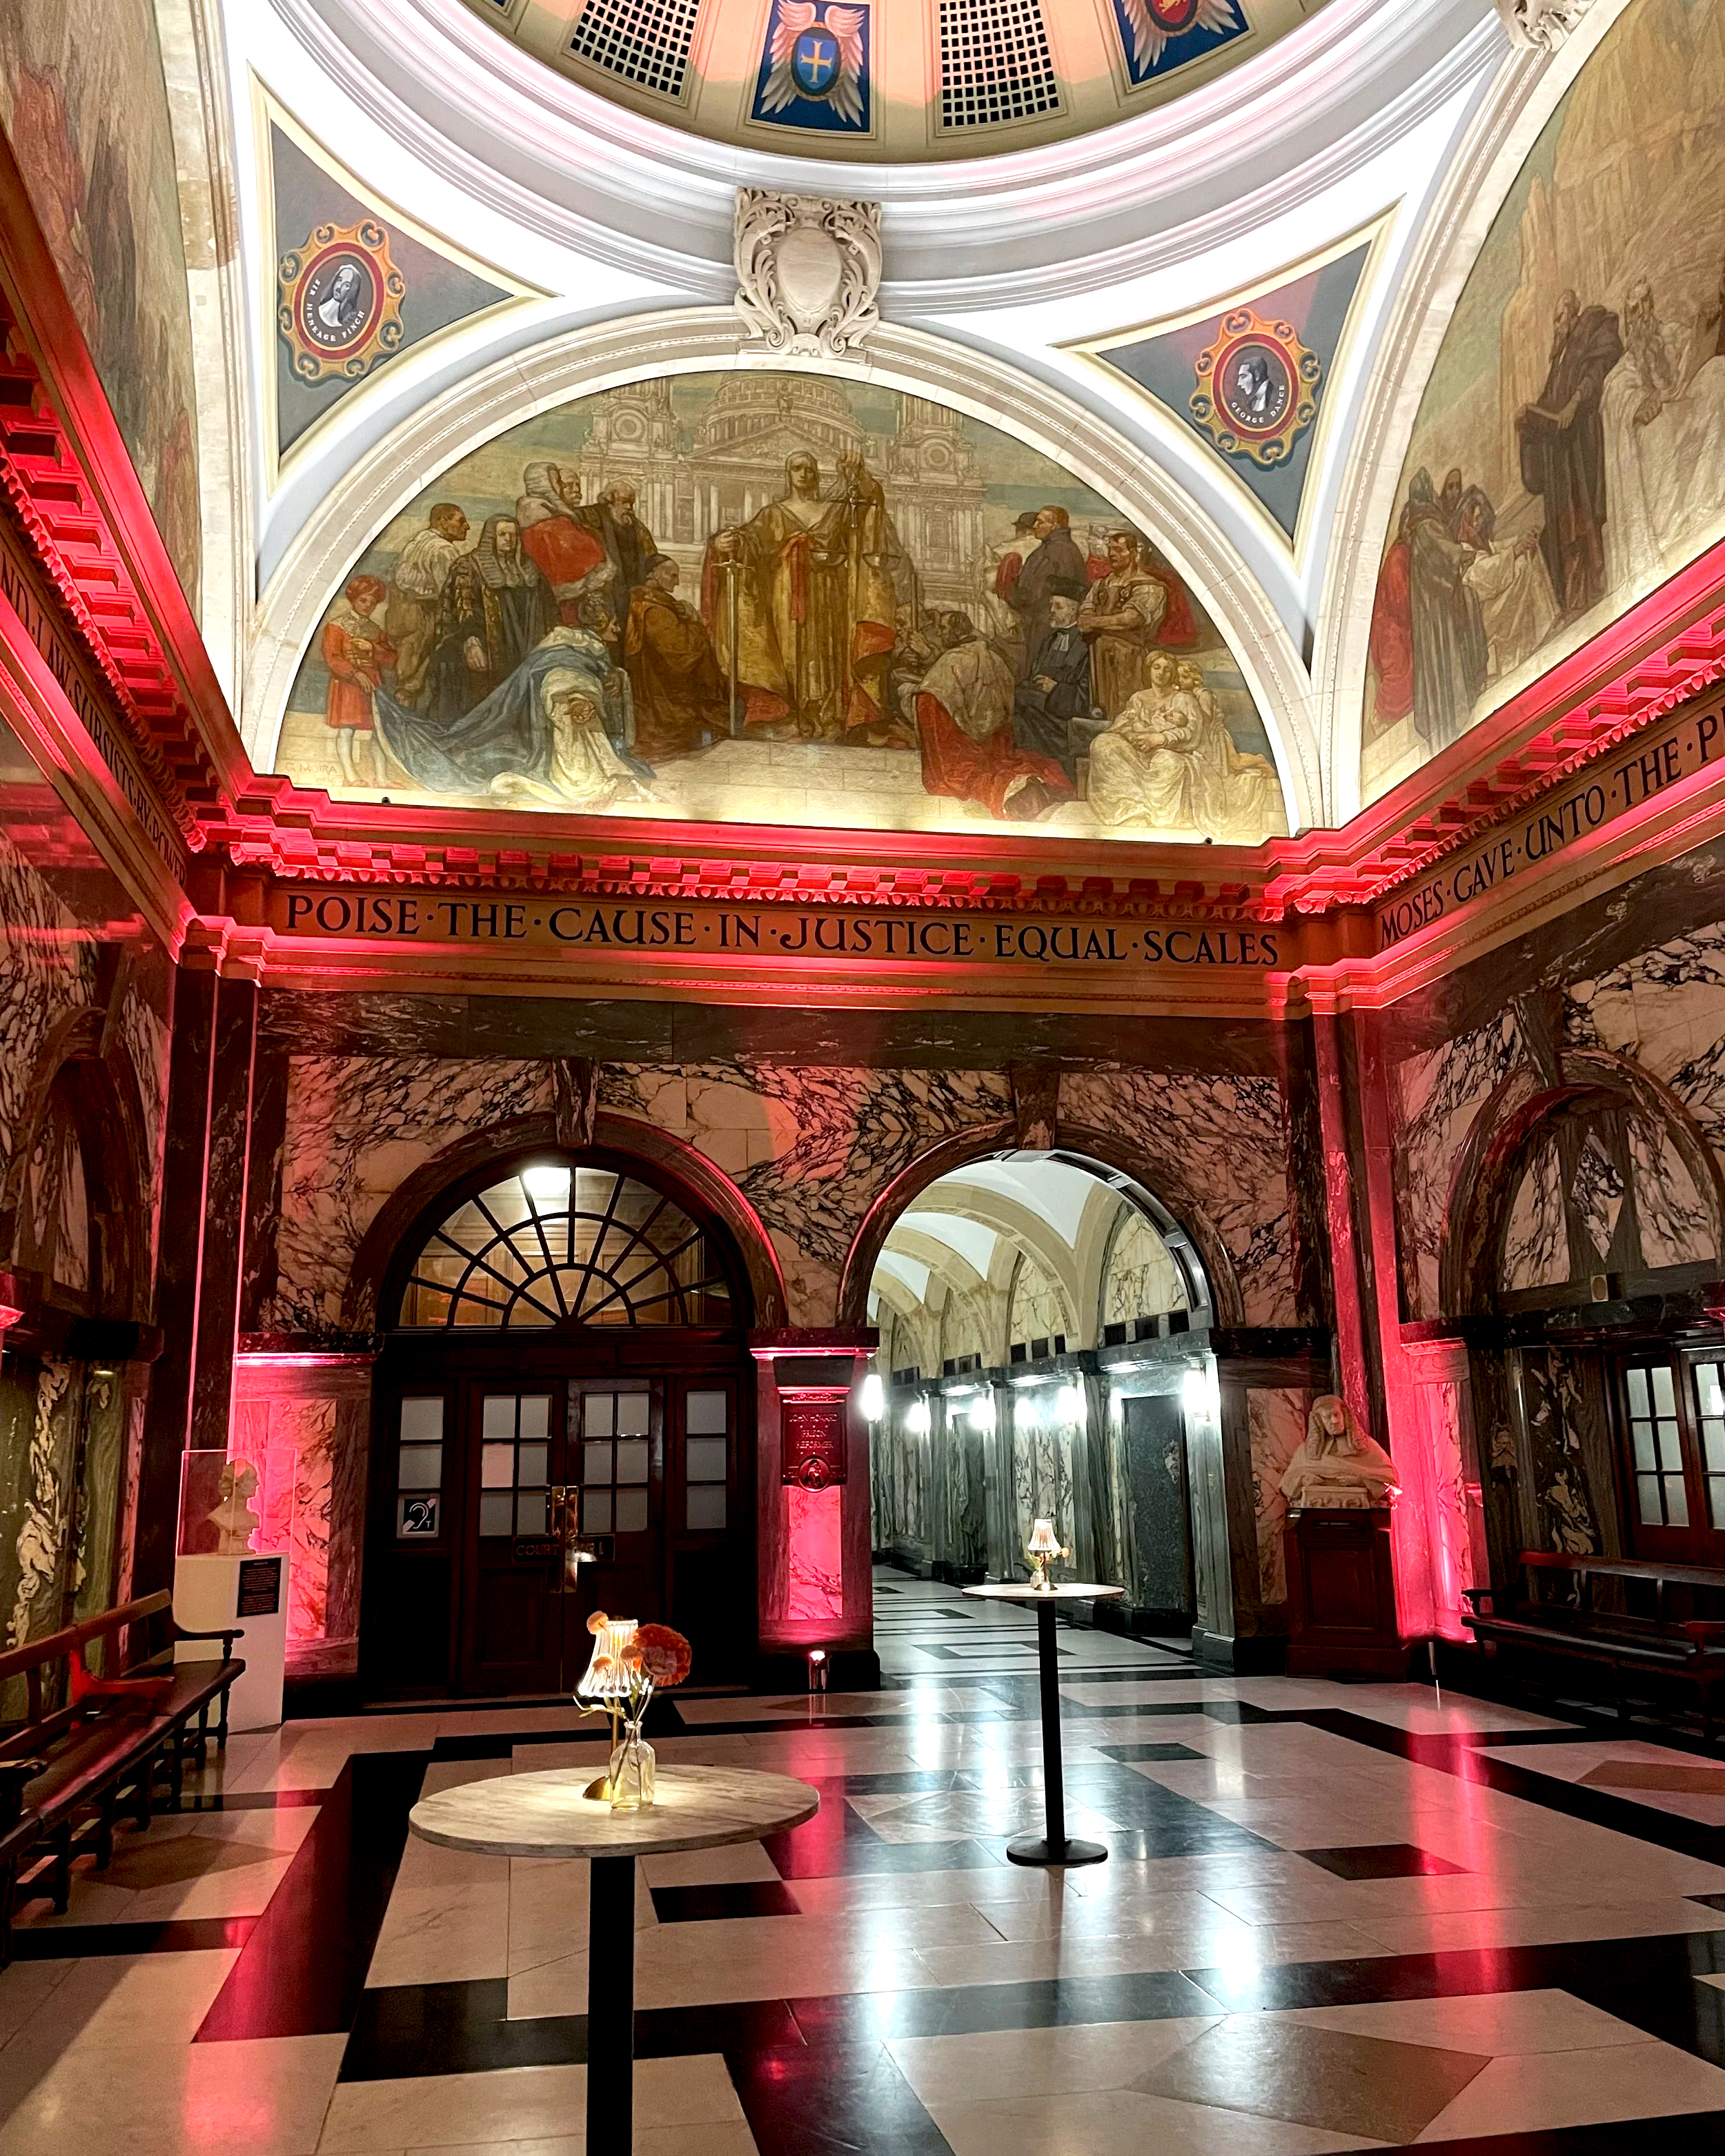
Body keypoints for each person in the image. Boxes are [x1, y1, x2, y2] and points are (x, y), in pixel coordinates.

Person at [704, 450, 896, 740]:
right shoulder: (774, 513)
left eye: (809, 468)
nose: (804, 474)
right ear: (789, 475)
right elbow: (751, 542)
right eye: (797, 469)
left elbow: (871, 506)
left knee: (827, 649)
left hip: (829, 594)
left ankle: (830, 716)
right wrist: (725, 542)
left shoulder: (833, 509)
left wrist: (858, 473)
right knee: (790, 651)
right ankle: (792, 715)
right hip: (786, 597)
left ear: (817, 474)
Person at [375, 623, 649, 807]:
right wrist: (578, 700)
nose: (618, 627)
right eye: (614, 623)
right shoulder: (567, 658)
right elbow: (560, 682)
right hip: (559, 709)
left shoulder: (587, 658)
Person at [1516, 288, 1624, 620]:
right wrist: (1530, 416)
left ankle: (1598, 582)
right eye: (1554, 321)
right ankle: (1574, 597)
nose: (1557, 326)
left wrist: (1574, 403)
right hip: (1559, 459)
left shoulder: (1591, 329)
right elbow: (1551, 402)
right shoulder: (1559, 359)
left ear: (1574, 313)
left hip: (1580, 445)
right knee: (1565, 526)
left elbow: (1596, 370)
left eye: (1561, 317)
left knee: (1586, 515)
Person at [915, 611, 1075, 821]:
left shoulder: (952, 661)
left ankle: (1020, 795)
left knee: (968, 776)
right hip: (995, 742)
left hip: (966, 744)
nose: (939, 632)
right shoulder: (992, 656)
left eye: (943, 628)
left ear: (955, 631)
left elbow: (930, 700)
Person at [426, 515, 555, 723]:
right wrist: (471, 641)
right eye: (502, 534)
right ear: (490, 537)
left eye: (513, 535)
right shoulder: (469, 566)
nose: (508, 539)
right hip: (485, 645)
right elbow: (462, 607)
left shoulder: (530, 569)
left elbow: (549, 609)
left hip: (524, 646)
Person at [1405, 469, 1486, 751]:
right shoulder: (1426, 526)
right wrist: (1465, 554)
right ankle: (1453, 722)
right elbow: (1445, 554)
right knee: (1446, 654)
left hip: (1431, 610)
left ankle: (1446, 729)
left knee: (1438, 661)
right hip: (1437, 610)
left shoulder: (1417, 529)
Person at [624, 553, 731, 762]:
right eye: (672, 576)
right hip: (660, 688)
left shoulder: (655, 601)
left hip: (663, 681)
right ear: (654, 574)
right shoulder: (651, 607)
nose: (678, 582)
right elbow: (679, 650)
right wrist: (696, 625)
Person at [1457, 486, 1557, 684]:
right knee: (1521, 567)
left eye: (1481, 518)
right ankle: (1543, 625)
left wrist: (1521, 541)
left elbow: (1496, 549)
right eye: (1475, 519)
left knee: (1526, 560)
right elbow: (1482, 575)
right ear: (1466, 521)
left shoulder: (1479, 543)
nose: (1479, 523)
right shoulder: (1462, 549)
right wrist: (1515, 550)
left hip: (1490, 605)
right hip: (1481, 616)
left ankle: (1547, 622)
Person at [385, 502, 469, 709]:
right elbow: (448, 591)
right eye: (460, 521)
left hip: (402, 614)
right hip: (424, 615)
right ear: (442, 521)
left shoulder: (418, 540)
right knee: (415, 676)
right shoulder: (443, 550)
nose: (467, 527)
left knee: (407, 669)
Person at [1079, 531, 1168, 720]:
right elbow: (1086, 610)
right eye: (1110, 550)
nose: (1112, 555)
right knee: (1098, 707)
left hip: (1129, 656)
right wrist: (1089, 619)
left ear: (1134, 554)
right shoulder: (1101, 584)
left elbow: (1131, 618)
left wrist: (1094, 622)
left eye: (1119, 550)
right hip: (1096, 655)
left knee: (1126, 709)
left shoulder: (1149, 586)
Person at [320, 576, 396, 787]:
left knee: (378, 732)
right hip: (347, 686)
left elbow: (391, 659)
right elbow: (332, 658)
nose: (368, 606)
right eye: (364, 601)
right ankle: (350, 777)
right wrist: (356, 674)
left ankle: (381, 777)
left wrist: (372, 649)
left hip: (373, 685)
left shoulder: (375, 630)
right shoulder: (336, 627)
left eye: (372, 603)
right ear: (353, 599)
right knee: (347, 730)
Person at [515, 464, 607, 624]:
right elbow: (586, 551)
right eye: (557, 481)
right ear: (545, 484)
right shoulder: (545, 518)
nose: (559, 486)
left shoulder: (547, 512)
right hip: (564, 595)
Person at [1012, 593, 1091, 777]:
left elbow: (1087, 690)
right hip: (1039, 704)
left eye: (1058, 607)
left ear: (1074, 611)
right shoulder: (1049, 640)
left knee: (1018, 700)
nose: (1052, 611)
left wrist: (1055, 688)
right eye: (1051, 606)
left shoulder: (1086, 643)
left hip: (1064, 709)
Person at [1004, 506, 1088, 670]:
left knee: (1036, 674)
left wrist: (1009, 590)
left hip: (1044, 626)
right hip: (1049, 624)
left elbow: (1032, 596)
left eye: (1040, 522)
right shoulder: (1059, 548)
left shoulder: (1055, 552)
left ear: (1054, 525)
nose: (1035, 526)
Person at [1279, 1396, 1398, 1511]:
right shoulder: (1305, 1452)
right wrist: (1304, 1480)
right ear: (1319, 1422)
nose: (1334, 1421)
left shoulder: (1368, 1447)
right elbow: (1286, 1486)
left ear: (1345, 1415)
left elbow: (1389, 1479)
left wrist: (1360, 1481)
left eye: (1336, 1414)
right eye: (1327, 1417)